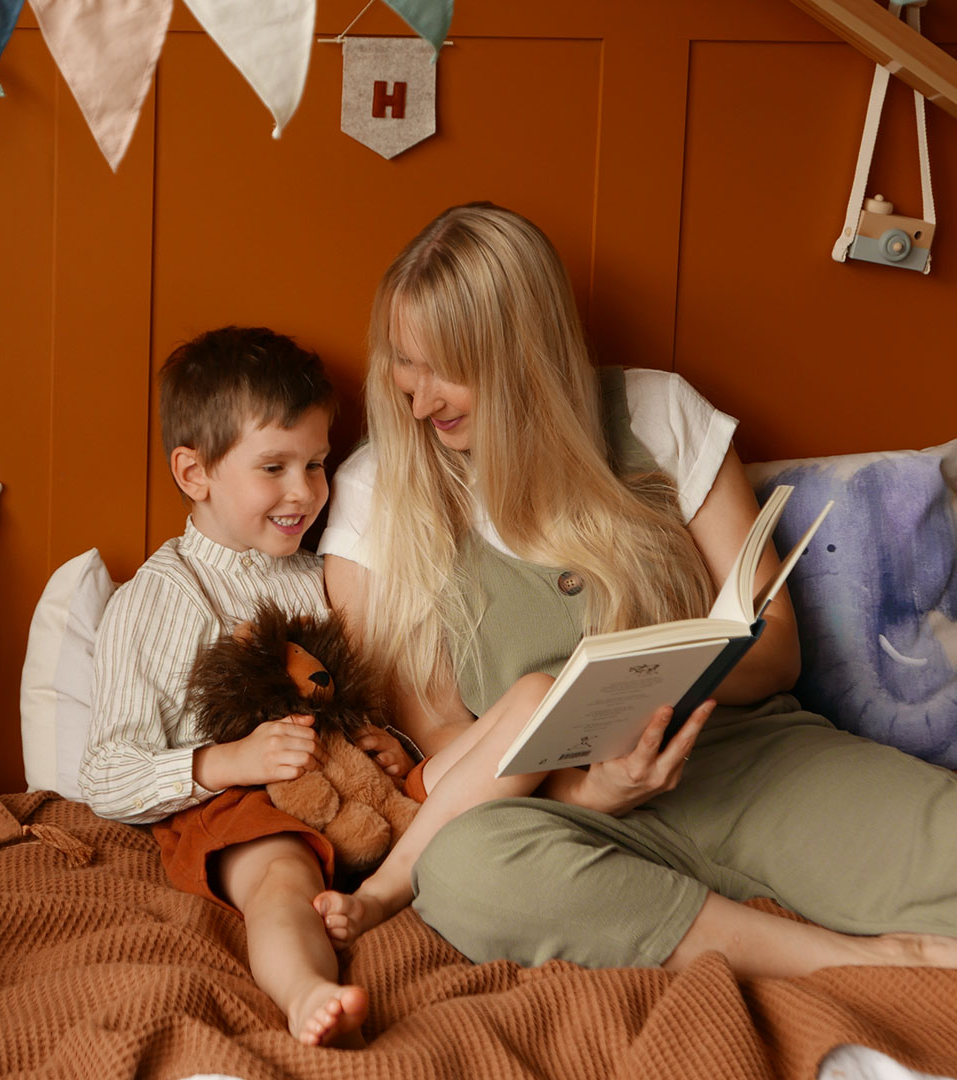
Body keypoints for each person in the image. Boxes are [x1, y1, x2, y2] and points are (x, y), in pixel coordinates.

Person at [312, 202, 957, 978]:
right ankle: (861, 963)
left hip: (746, 760)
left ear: (523, 353)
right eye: (402, 363)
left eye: (446, 366)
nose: (418, 401)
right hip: (554, 810)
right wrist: (597, 791)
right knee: (462, 872)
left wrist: (649, 691)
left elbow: (776, 646)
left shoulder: (660, 412)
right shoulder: (377, 490)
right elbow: (441, 741)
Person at [80, 326, 409, 1048]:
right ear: (195, 474)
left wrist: (382, 746)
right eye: (274, 467)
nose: (305, 492)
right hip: (231, 805)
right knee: (282, 877)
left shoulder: (315, 575)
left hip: (334, 784)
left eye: (318, 464)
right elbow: (105, 774)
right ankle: (307, 994)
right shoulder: (159, 599)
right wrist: (228, 763)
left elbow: (341, 696)